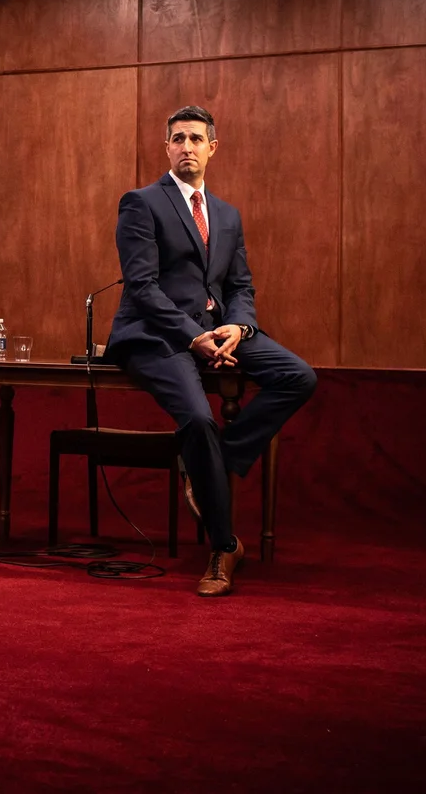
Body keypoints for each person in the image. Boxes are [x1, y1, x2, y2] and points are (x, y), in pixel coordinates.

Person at [104, 105, 316, 598]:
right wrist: (192, 337)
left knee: (299, 376)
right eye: (178, 139)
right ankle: (224, 547)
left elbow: (240, 286)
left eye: (196, 139)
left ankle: (214, 461)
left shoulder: (226, 215)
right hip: (157, 333)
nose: (187, 147)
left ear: (212, 148)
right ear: (166, 148)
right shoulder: (140, 203)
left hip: (219, 329)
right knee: (199, 420)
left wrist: (238, 328)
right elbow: (142, 286)